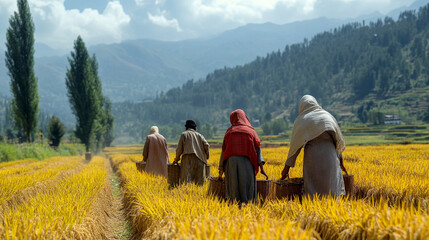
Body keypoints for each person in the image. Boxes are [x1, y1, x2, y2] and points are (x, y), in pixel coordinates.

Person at [280, 95, 347, 197]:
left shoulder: (302, 119)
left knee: (313, 190)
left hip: (313, 157)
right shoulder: (327, 116)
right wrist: (341, 163)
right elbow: (338, 142)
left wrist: (286, 169)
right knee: (332, 189)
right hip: (330, 155)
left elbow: (294, 148)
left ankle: (314, 211)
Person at [218, 109, 268, 204]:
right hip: (247, 164)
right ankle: (248, 208)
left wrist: (220, 171)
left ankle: (234, 210)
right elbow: (258, 150)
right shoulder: (251, 132)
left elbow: (223, 152)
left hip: (231, 164)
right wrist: (262, 169)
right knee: (247, 189)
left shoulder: (229, 132)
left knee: (233, 189)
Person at [173, 120, 210, 185]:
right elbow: (206, 145)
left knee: (186, 181)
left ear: (186, 128)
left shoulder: (184, 134)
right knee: (199, 183)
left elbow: (179, 149)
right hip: (200, 159)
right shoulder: (200, 135)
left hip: (187, 159)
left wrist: (176, 159)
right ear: (195, 128)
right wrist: (207, 155)